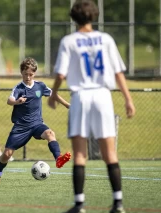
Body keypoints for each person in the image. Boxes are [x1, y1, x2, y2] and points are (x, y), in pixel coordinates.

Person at [48, 1, 136, 213]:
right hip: (103, 97)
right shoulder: (106, 39)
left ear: (73, 17)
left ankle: (79, 204)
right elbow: (118, 73)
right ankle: (118, 203)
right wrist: (128, 99)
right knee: (110, 154)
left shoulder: (69, 41)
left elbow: (60, 74)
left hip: (80, 97)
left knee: (80, 154)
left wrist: (53, 94)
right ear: (94, 16)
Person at [0, 57, 71, 185]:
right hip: (21, 127)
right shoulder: (19, 88)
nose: (28, 77)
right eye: (26, 74)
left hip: (37, 124)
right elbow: (9, 100)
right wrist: (17, 101)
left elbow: (53, 94)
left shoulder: (40, 86)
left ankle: (58, 159)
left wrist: (67, 105)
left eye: (31, 74)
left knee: (50, 134)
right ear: (21, 73)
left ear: (34, 74)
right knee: (7, 154)